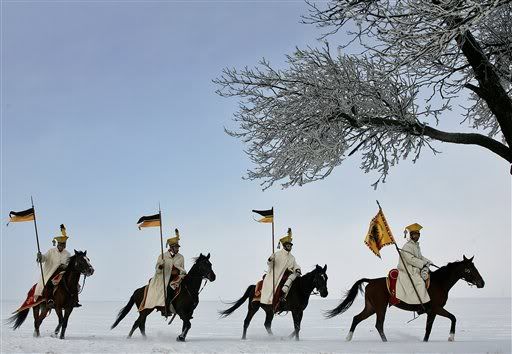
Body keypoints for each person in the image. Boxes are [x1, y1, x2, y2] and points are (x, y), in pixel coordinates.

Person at [141, 229, 187, 314]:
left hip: (177, 277)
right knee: (168, 289)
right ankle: (166, 308)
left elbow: (183, 268)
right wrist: (160, 266)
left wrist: (183, 274)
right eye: (176, 247)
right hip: (165, 278)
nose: (178, 249)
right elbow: (157, 270)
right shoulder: (162, 256)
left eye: (178, 247)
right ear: (171, 247)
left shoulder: (181, 257)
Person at [35, 224, 77, 308]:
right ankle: (50, 299)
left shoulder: (67, 253)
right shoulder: (51, 251)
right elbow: (44, 258)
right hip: (52, 273)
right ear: (58, 244)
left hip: (63, 273)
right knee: (50, 283)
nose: (62, 246)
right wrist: (40, 256)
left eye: (63, 245)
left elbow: (69, 264)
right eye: (61, 244)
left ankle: (74, 300)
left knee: (74, 282)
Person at [260, 228, 301, 306]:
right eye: (288, 246)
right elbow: (270, 264)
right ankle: (277, 298)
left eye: (290, 246)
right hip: (276, 274)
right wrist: (270, 260)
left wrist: (297, 269)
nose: (289, 247)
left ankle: (287, 297)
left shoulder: (292, 257)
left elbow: (295, 265)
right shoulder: (277, 254)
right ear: (284, 246)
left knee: (294, 279)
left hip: (288, 274)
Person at [396, 223, 432, 308]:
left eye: (418, 234)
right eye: (415, 234)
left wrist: (428, 261)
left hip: (415, 268)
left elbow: (420, 257)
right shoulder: (407, 246)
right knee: (419, 282)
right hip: (408, 269)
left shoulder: (416, 246)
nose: (417, 236)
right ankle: (419, 305)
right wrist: (422, 263)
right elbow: (410, 259)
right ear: (411, 235)